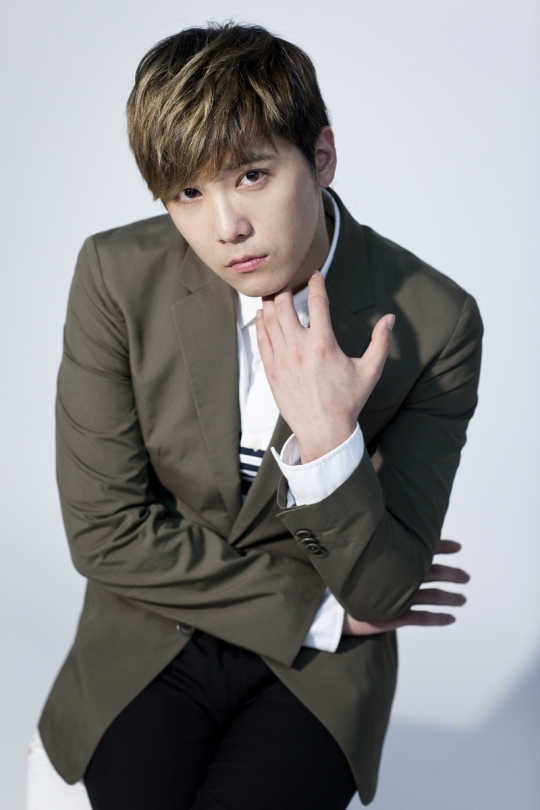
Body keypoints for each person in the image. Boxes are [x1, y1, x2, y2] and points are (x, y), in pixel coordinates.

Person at [37, 21, 482, 810]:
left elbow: (382, 596)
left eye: (251, 175)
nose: (225, 228)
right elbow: (103, 533)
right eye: (187, 193)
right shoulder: (117, 276)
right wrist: (315, 611)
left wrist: (329, 440)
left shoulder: (435, 322)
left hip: (317, 679)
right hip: (149, 636)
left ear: (322, 157)